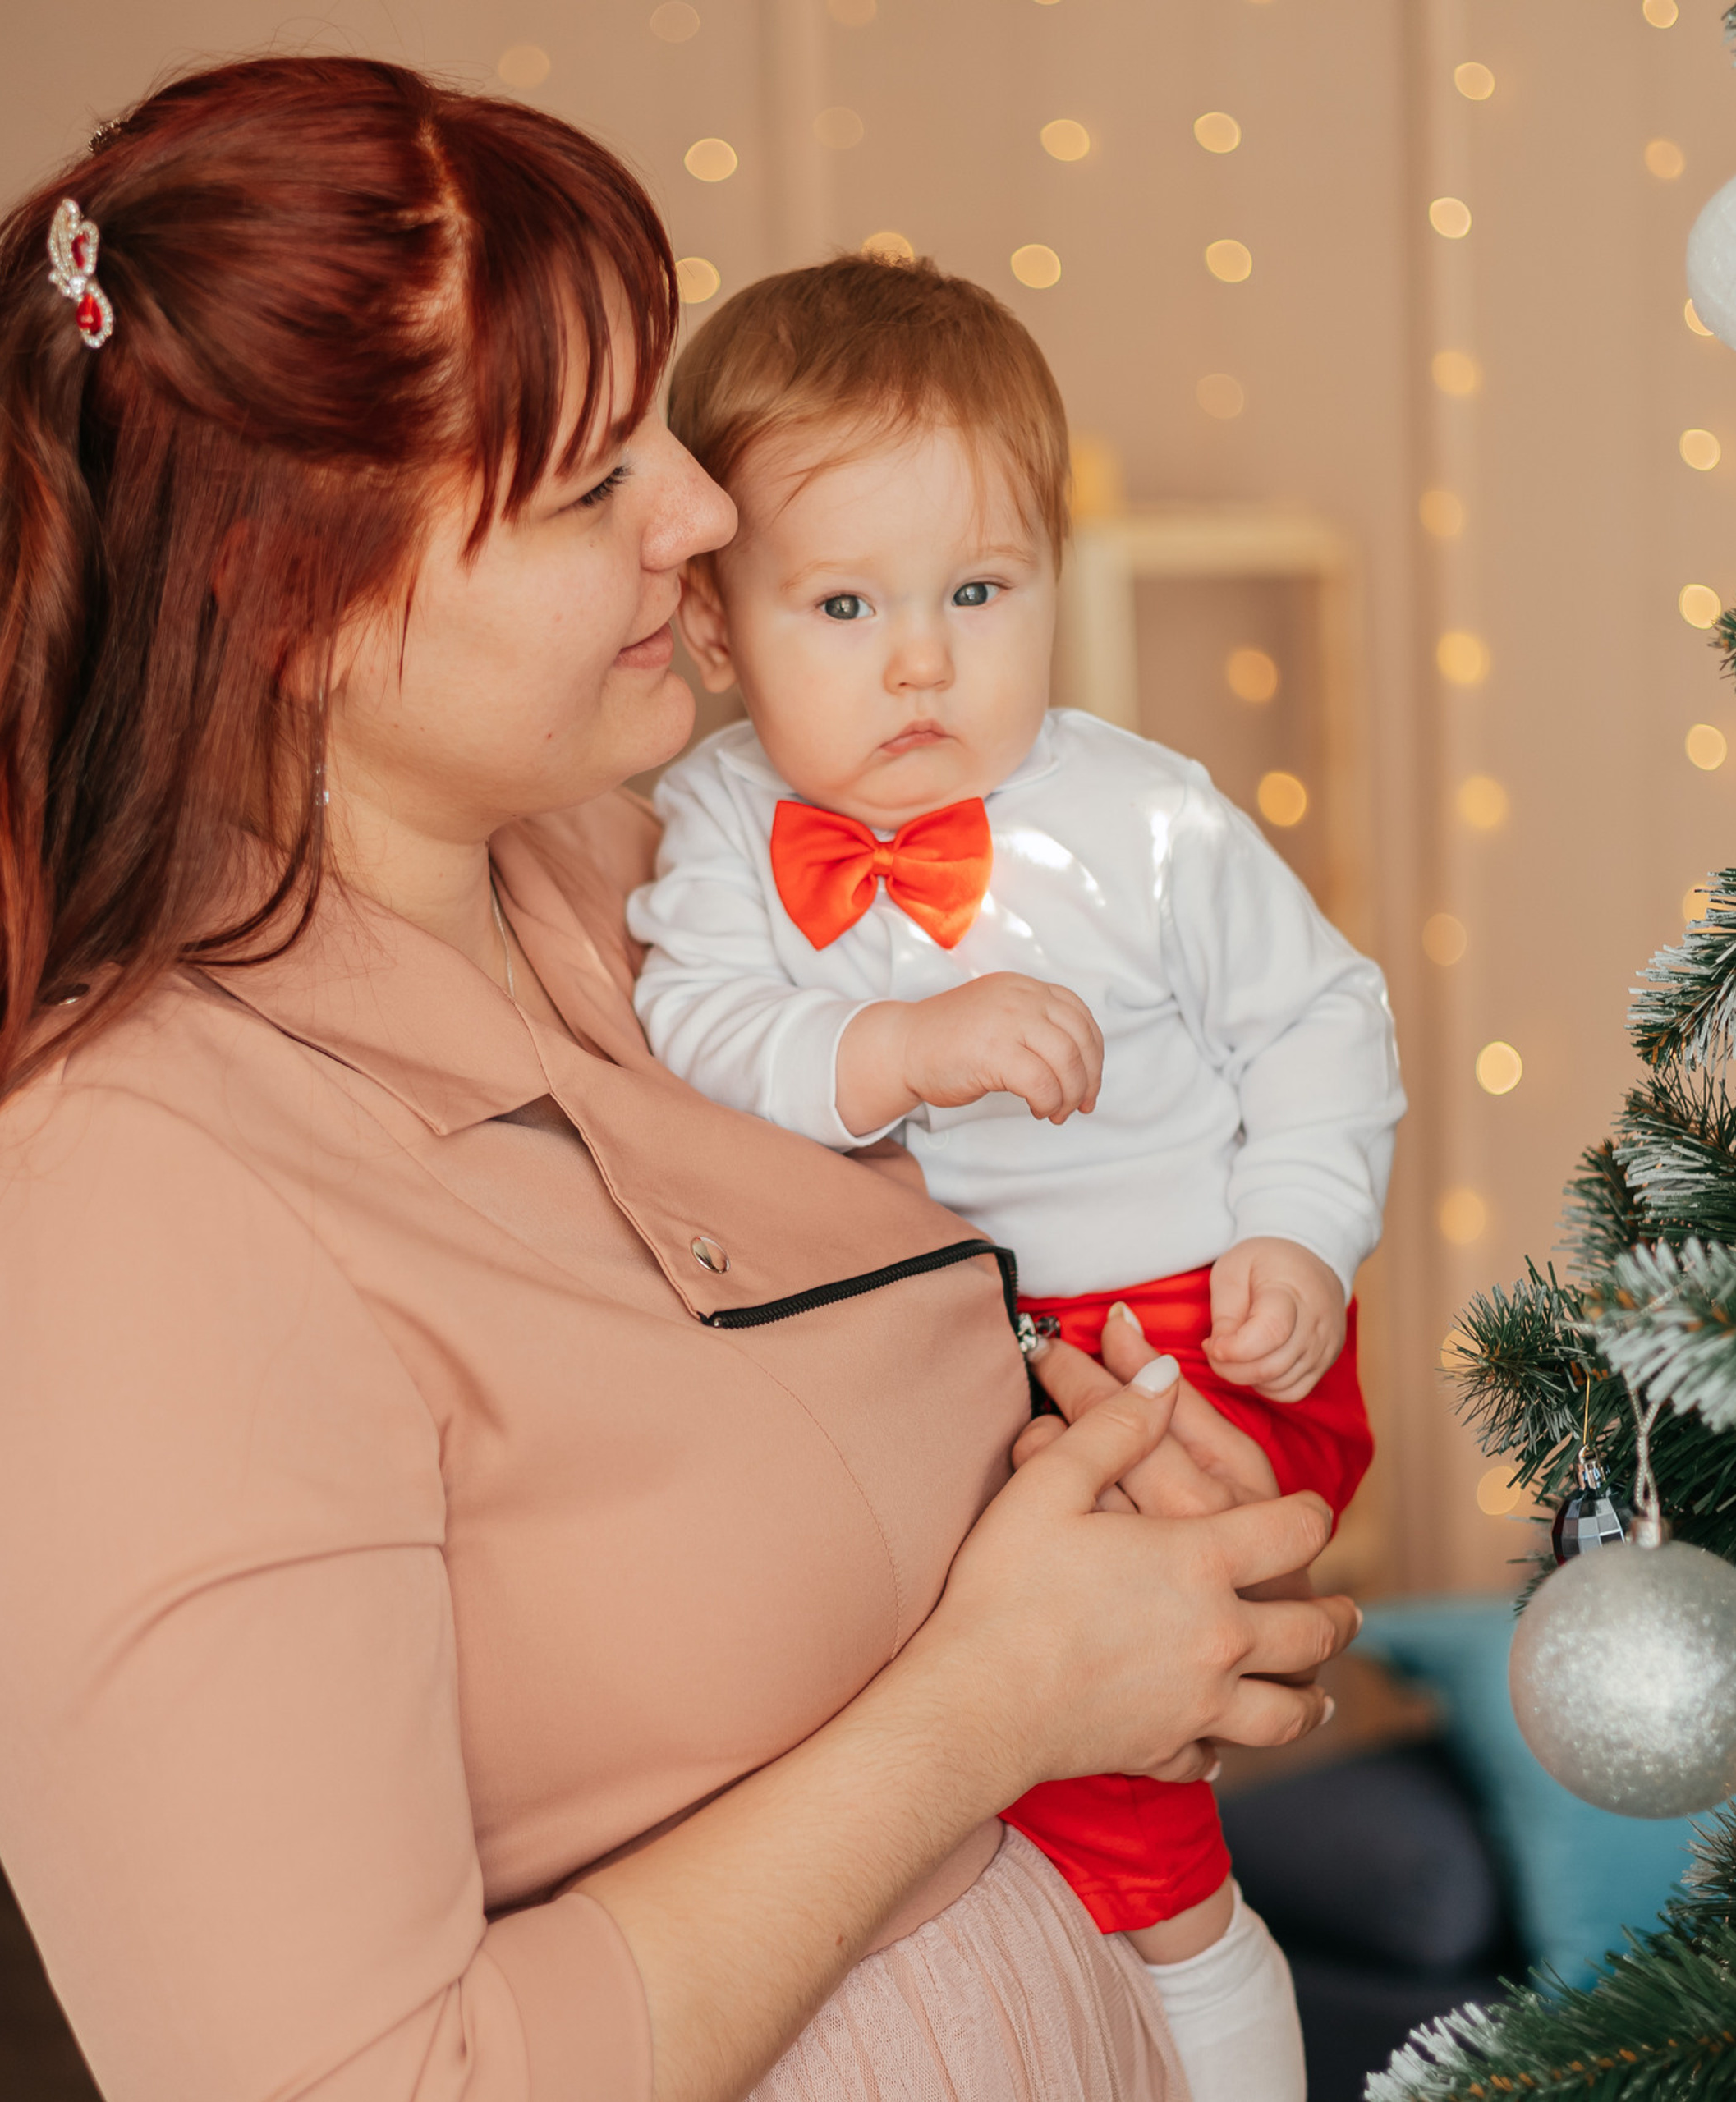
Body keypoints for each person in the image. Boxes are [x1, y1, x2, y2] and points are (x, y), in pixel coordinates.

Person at [0, 57, 1357, 2102]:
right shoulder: (107, 1220)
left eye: (657, 420)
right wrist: (995, 1697)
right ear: (280, 597)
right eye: (590, 483)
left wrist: (1127, 1518)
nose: (705, 509)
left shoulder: (657, 882)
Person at [631, 255, 1406, 2100]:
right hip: (943, 1366)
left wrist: (1300, 1223)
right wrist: (891, 1047)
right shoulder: (724, 821)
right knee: (1001, 1769)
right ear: (719, 631)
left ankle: (1215, 2020)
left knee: (1116, 1808)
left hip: (1184, 1332)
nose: (921, 659)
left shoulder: (1140, 814)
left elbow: (1320, 1020)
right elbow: (695, 1024)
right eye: (842, 604)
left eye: (979, 591)